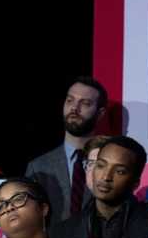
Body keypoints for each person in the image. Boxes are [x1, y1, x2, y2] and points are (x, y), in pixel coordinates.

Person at [50, 135, 148, 238]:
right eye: (101, 165)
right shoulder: (61, 233)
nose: (106, 177)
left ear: (135, 183)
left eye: (119, 171)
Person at [25, 77, 108, 222]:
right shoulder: (38, 167)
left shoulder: (110, 163)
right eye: (70, 100)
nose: (74, 108)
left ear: (100, 113)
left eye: (85, 103)